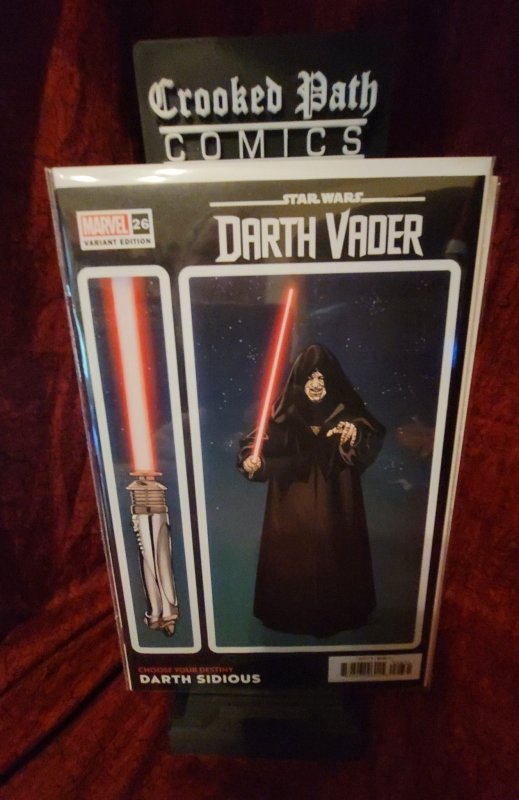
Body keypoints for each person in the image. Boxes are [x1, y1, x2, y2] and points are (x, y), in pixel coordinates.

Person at [238, 344, 385, 637]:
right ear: (300, 381)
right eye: (310, 378)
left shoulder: (348, 413)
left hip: (336, 501)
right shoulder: (283, 414)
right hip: (293, 502)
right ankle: (288, 612)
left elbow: (370, 434)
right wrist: (252, 460)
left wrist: (354, 434)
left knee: (336, 550)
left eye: (321, 378)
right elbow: (256, 444)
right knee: (292, 553)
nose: (316, 384)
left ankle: (341, 611)